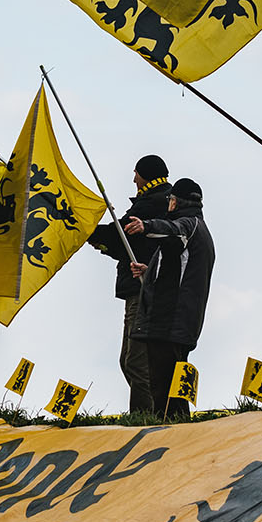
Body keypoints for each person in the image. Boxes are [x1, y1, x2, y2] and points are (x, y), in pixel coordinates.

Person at [124, 177, 215, 421]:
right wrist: (148, 271)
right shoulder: (200, 229)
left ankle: (167, 436)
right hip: (179, 323)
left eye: (171, 200)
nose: (169, 204)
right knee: (173, 389)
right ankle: (178, 430)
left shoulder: (189, 225)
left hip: (169, 324)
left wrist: (146, 225)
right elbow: (179, 268)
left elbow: (174, 231)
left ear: (177, 202)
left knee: (163, 390)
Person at [86, 154, 172, 414]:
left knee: (135, 361)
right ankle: (153, 413)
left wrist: (84, 229)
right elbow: (124, 242)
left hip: (143, 291)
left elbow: (118, 237)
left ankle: (145, 419)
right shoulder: (162, 203)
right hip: (142, 290)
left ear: (145, 174)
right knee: (129, 360)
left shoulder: (150, 205)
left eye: (136, 173)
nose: (133, 178)